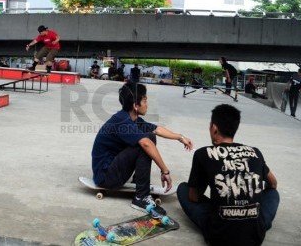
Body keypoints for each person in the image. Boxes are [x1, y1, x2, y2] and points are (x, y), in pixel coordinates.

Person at [177, 104, 279, 246]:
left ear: (214, 128)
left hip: (218, 236)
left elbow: (194, 197)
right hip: (255, 235)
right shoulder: (255, 152)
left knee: (183, 188)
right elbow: (273, 183)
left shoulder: (203, 154)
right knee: (273, 193)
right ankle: (253, 220)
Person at [91, 82, 194, 215]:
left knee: (149, 136)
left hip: (110, 169)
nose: (147, 104)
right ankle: (141, 197)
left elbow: (157, 129)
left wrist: (180, 137)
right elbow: (146, 143)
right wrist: (165, 171)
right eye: (144, 100)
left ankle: (138, 180)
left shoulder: (130, 117)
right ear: (135, 105)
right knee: (147, 141)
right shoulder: (123, 122)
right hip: (106, 177)